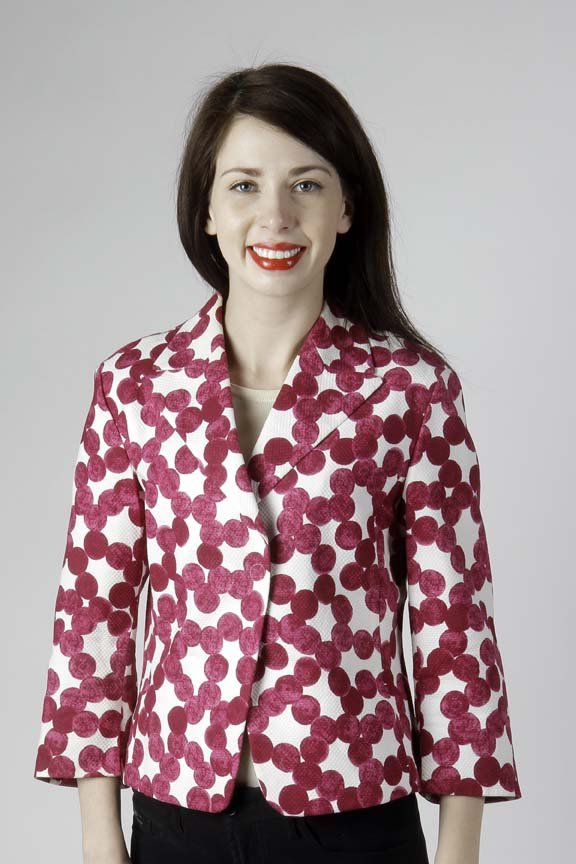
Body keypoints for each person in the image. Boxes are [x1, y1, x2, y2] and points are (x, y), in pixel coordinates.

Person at [33, 62, 521, 864]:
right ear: (207, 210)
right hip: (176, 817)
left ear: (346, 207)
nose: (276, 216)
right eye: (244, 186)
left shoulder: (411, 390)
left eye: (306, 185)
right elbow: (96, 608)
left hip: (357, 818)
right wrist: (99, 834)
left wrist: (460, 849)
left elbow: (454, 625)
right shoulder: (135, 385)